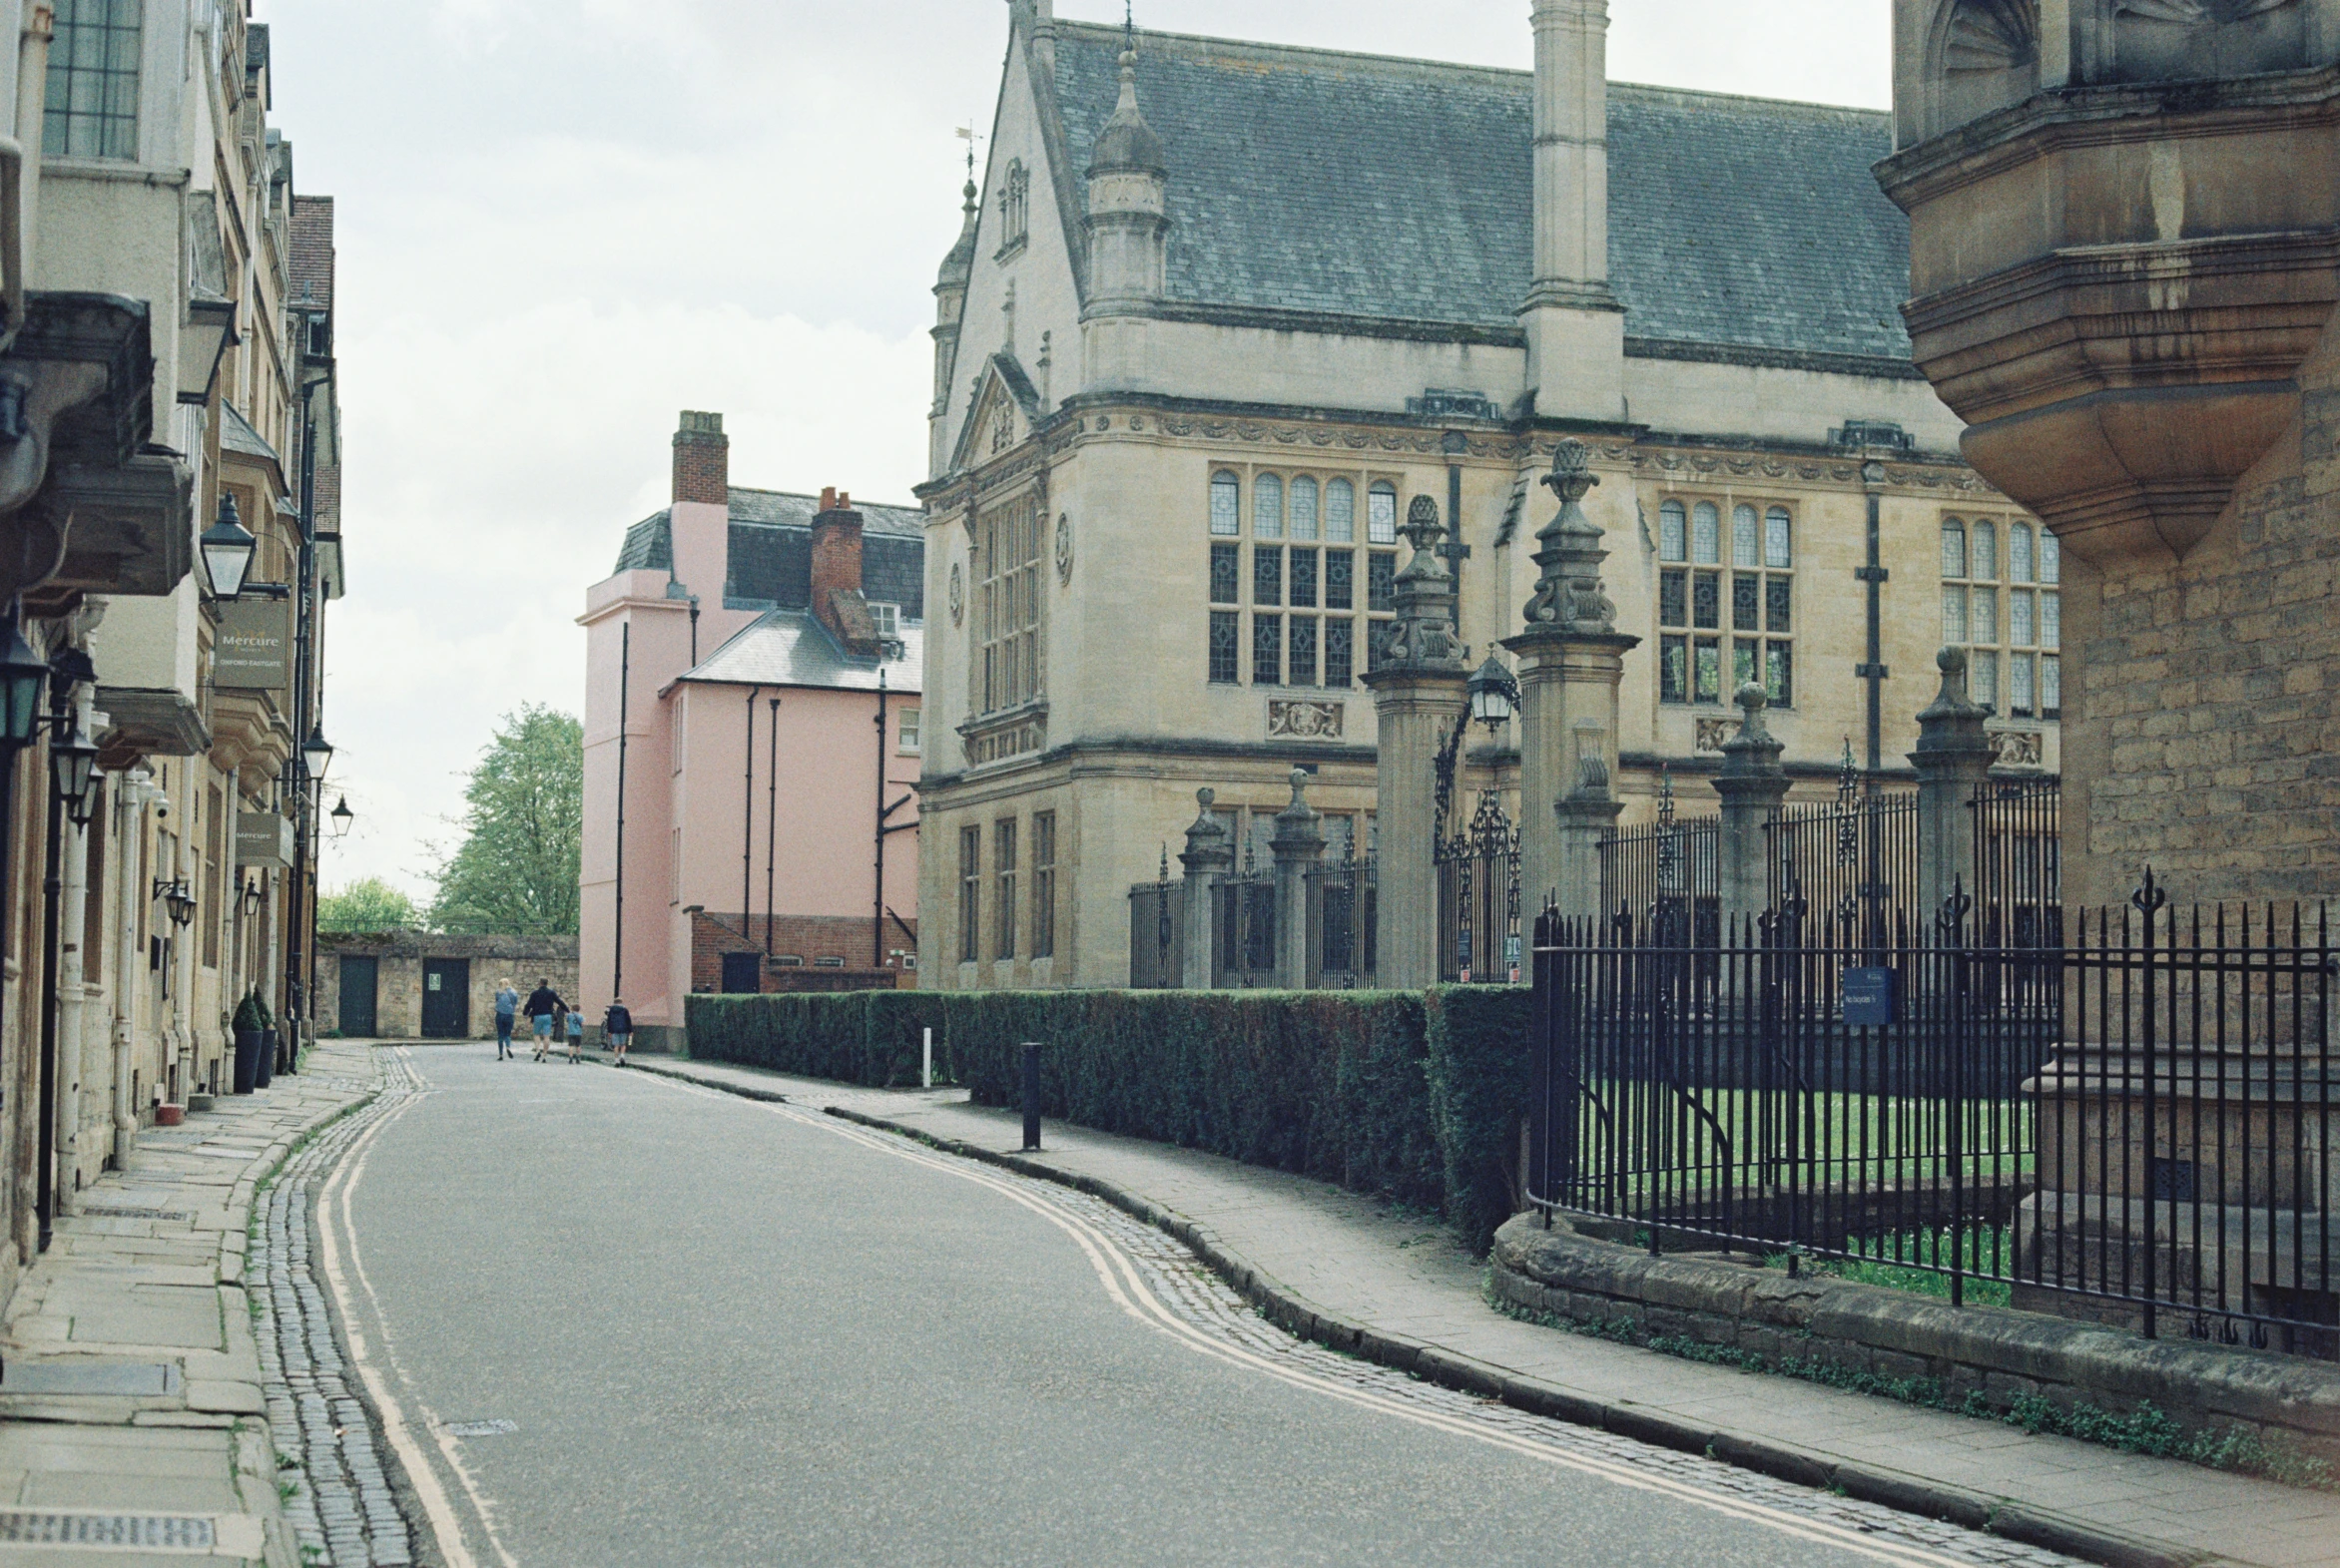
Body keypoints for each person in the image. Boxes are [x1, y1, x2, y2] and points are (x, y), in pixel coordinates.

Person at [523, 978, 564, 1063]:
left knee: (536, 1034)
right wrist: (567, 1009)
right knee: (546, 1036)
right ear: (547, 983)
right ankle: (544, 1055)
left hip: (537, 1016)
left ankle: (538, 1051)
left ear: (540, 983)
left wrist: (525, 1012)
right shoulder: (551, 992)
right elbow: (559, 1001)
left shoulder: (535, 993)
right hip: (548, 1016)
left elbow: (529, 1004)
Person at [492, 978, 520, 1061]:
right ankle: (508, 1047)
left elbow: (497, 1001)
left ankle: (501, 1055)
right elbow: (515, 1003)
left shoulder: (498, 992)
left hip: (500, 1014)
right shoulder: (513, 992)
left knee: (500, 1034)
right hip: (509, 1015)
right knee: (507, 1034)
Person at [604, 997, 633, 1067]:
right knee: (623, 1045)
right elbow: (628, 1020)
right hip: (624, 1029)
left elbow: (609, 1021)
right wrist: (631, 1030)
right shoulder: (625, 1010)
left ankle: (616, 1061)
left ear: (614, 1003)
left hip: (614, 1030)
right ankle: (622, 1056)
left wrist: (609, 1031)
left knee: (616, 1045)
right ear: (621, 1002)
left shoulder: (611, 1010)